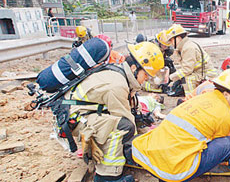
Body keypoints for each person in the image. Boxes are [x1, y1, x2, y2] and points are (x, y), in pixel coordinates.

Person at [132, 69, 230, 182]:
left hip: (156, 159)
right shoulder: (225, 114)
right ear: (227, 95)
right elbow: (224, 146)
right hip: (174, 169)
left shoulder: (202, 97)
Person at [67, 42, 164, 182]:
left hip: (84, 113)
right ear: (134, 68)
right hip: (77, 118)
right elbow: (124, 118)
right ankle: (107, 176)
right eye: (146, 75)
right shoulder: (118, 85)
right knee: (123, 127)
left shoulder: (120, 75)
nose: (146, 80)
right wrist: (143, 146)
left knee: (124, 125)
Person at [165, 24, 218, 96]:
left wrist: (171, 77)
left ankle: (191, 99)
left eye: (171, 40)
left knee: (188, 79)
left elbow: (187, 69)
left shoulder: (188, 48)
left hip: (207, 75)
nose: (171, 43)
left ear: (178, 38)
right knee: (182, 77)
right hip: (201, 72)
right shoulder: (185, 46)